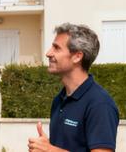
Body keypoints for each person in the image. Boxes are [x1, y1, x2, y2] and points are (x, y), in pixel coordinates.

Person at [28, 23, 118, 152]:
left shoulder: (100, 104)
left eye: (56, 48)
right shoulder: (59, 100)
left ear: (77, 56)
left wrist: (50, 150)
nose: (48, 53)